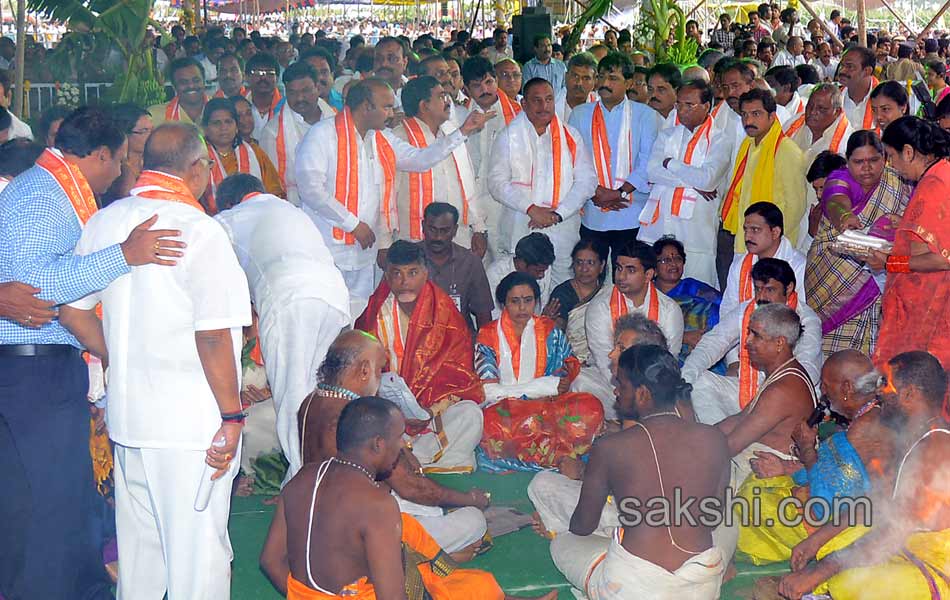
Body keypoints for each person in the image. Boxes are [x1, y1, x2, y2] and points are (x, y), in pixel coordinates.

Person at [60, 122, 251, 599]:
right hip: (190, 427)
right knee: (197, 559)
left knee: (142, 557)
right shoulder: (200, 229)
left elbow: (71, 311)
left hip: (131, 420)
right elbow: (213, 337)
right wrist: (231, 414)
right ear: (197, 169)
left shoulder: (107, 220)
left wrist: (120, 356)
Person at [0, 107, 184, 600]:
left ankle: (67, 586)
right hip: (31, 367)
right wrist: (123, 255)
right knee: (48, 498)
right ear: (100, 154)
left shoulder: (46, 187)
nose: (121, 171)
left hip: (36, 366)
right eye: (120, 160)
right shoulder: (43, 195)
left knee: (54, 494)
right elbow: (36, 292)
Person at [264, 395, 548, 600]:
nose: (404, 445)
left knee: (471, 584)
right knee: (464, 587)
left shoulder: (303, 476)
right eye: (400, 437)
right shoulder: (376, 504)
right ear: (378, 444)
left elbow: (269, 561)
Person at [286, 332, 490, 559]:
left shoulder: (311, 401)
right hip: (358, 535)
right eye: (379, 369)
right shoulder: (356, 419)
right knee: (473, 521)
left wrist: (403, 450)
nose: (381, 377)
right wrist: (470, 499)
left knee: (428, 506)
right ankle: (421, 560)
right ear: (364, 370)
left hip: (319, 523)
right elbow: (413, 488)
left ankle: (428, 554)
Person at [551, 345, 730, 599]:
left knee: (562, 543)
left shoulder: (610, 447)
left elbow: (583, 525)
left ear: (643, 394)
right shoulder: (715, 438)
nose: (615, 392)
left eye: (622, 386)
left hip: (634, 589)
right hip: (701, 587)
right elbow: (713, 518)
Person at [295, 78, 491, 309]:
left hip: (364, 247)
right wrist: (352, 224)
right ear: (367, 107)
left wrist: (463, 131)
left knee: (360, 312)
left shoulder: (380, 138)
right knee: (328, 310)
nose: (392, 113)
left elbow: (420, 160)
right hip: (330, 245)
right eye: (387, 106)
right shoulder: (322, 135)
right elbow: (310, 189)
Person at [778, 351, 950, 600]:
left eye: (886, 383)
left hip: (938, 564)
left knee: (847, 582)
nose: (879, 392)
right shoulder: (910, 436)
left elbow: (895, 529)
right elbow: (874, 500)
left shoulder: (936, 447)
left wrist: (820, 571)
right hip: (907, 545)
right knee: (830, 546)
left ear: (910, 394)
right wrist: (817, 540)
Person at [214, 173, 349, 485]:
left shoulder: (229, 219)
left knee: (294, 396)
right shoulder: (291, 210)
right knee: (323, 393)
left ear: (229, 202)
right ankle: (324, 475)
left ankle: (306, 485)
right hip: (335, 299)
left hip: (292, 301)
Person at [737, 350, 893, 566]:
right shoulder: (868, 415)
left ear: (846, 388)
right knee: (761, 481)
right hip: (840, 503)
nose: (822, 393)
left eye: (826, 386)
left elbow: (826, 502)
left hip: (849, 523)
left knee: (755, 502)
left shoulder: (865, 428)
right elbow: (833, 471)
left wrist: (806, 447)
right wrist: (787, 467)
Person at [355, 240, 485, 472]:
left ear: (426, 273)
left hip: (433, 413)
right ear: (386, 276)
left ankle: (408, 459)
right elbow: (360, 373)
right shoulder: (374, 312)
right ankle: (421, 458)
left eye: (412, 273)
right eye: (396, 274)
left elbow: (460, 375)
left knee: (471, 415)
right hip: (386, 416)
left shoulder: (445, 312)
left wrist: (429, 411)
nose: (404, 282)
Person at [476, 272, 604, 468]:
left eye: (528, 301)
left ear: (536, 301)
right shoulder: (487, 334)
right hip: (505, 411)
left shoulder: (549, 330)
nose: (521, 308)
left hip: (547, 405)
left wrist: (558, 384)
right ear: (503, 304)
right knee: (491, 425)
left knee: (590, 406)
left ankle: (552, 454)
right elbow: (489, 391)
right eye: (514, 301)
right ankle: (561, 457)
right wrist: (542, 386)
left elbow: (566, 370)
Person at [806, 131, 910, 356]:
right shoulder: (839, 177)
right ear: (848, 160)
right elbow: (835, 200)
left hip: (880, 278)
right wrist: (844, 217)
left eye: (874, 160)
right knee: (832, 354)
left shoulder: (897, 181)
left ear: (884, 158)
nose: (867, 168)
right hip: (832, 274)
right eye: (859, 162)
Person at [684, 259, 822, 425]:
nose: (761, 297)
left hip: (784, 395)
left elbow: (807, 371)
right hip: (746, 389)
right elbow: (713, 342)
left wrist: (767, 397)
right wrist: (684, 379)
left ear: (789, 288)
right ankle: (718, 438)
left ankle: (733, 436)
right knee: (699, 381)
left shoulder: (807, 320)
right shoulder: (748, 309)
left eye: (770, 290)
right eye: (758, 289)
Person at [488, 77, 597, 285]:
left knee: (562, 285)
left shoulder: (570, 135)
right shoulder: (508, 136)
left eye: (548, 99)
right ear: (524, 103)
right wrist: (531, 209)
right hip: (522, 224)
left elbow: (587, 181)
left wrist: (558, 214)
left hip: (562, 226)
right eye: (536, 100)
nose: (544, 105)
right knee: (521, 287)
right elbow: (496, 183)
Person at [869, 117, 950, 369]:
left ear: (908, 151)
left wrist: (889, 262)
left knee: (913, 379)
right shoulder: (942, 171)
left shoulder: (933, 185)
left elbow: (941, 259)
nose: (892, 166)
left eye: (892, 157)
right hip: (933, 301)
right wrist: (905, 223)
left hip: (928, 306)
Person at [569, 52, 659, 274]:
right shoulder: (580, 114)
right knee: (590, 276)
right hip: (593, 210)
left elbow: (648, 161)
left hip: (631, 213)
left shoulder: (645, 115)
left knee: (627, 276)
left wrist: (619, 192)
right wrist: (595, 192)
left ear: (628, 83)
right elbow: (573, 161)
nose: (605, 84)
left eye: (613, 79)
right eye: (601, 77)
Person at [642, 79, 727, 287]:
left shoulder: (719, 139)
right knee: (655, 288)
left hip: (697, 231)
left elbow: (707, 180)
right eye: (679, 104)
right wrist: (693, 183)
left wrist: (670, 163)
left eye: (689, 105)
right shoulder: (667, 135)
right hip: (662, 224)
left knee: (698, 292)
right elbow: (652, 172)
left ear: (706, 106)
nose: (681, 110)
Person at [389, 75, 487, 253]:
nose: (448, 101)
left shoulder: (453, 131)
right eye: (441, 96)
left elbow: (467, 181)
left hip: (459, 235)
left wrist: (478, 227)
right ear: (424, 105)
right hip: (414, 238)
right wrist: (385, 242)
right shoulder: (399, 137)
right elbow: (388, 194)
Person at [585, 241, 685, 405]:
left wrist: (644, 392)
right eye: (618, 268)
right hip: (610, 380)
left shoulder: (670, 310)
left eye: (630, 270)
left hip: (653, 384)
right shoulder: (600, 306)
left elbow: (668, 358)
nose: (621, 276)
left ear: (648, 275)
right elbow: (604, 360)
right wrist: (626, 390)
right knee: (582, 383)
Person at [722, 88, 806, 253]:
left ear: (772, 116)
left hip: (774, 245)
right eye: (744, 114)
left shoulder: (786, 150)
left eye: (756, 114)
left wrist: (771, 239)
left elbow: (796, 207)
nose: (748, 120)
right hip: (746, 239)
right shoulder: (748, 145)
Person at [460, 57, 518, 262]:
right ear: (466, 88)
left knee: (504, 265)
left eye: (489, 82)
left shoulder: (518, 115)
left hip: (504, 205)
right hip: (469, 202)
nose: (484, 90)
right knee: (472, 266)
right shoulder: (458, 116)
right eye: (476, 86)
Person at [261, 61, 335, 207]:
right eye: (292, 92)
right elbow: (271, 185)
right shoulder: (272, 132)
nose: (300, 98)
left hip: (337, 205)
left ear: (318, 88)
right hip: (293, 208)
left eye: (306, 91)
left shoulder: (336, 120)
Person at [420, 202, 494, 331]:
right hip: (417, 340)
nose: (438, 237)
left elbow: (483, 314)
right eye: (432, 229)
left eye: (445, 230)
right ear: (423, 227)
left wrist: (484, 347)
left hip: (459, 342)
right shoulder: (408, 259)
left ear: (455, 230)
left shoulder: (470, 262)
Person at [201, 98, 283, 212]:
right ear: (206, 128)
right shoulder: (197, 158)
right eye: (216, 123)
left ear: (236, 126)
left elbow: (274, 192)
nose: (223, 127)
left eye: (228, 121)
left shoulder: (254, 152)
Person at [652, 237, 722, 359]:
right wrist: (683, 337)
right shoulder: (648, 295)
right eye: (666, 260)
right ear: (654, 269)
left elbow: (726, 308)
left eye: (678, 258)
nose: (673, 263)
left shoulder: (695, 288)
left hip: (705, 350)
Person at [486, 231, 558, 319]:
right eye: (538, 271)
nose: (542, 275)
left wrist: (543, 320)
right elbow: (493, 316)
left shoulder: (543, 267)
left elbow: (541, 307)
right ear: (522, 263)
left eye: (544, 270)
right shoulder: (495, 274)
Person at [102, 103, 153, 206]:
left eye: (152, 130)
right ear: (124, 133)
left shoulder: (153, 162)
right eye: (144, 131)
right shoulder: (118, 170)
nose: (152, 135)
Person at [150, 57, 209, 124]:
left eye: (196, 80)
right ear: (174, 86)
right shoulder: (155, 115)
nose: (191, 86)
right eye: (183, 82)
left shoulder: (221, 108)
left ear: (204, 82)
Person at [837, 46, 879, 131]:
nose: (842, 71)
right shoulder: (833, 98)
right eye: (842, 65)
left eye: (850, 66)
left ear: (867, 71)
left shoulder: (886, 99)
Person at [245, 53, 284, 140]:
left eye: (269, 73)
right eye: (257, 73)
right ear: (247, 78)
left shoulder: (285, 107)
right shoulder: (237, 107)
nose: (263, 78)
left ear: (277, 78)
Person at [556, 52, 598, 123]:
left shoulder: (601, 107)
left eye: (586, 78)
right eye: (575, 76)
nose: (579, 83)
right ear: (566, 76)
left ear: (594, 81)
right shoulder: (551, 106)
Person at [374, 36, 410, 110]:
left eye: (392, 59)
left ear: (405, 62)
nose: (384, 64)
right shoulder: (364, 92)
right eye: (379, 59)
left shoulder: (415, 90)